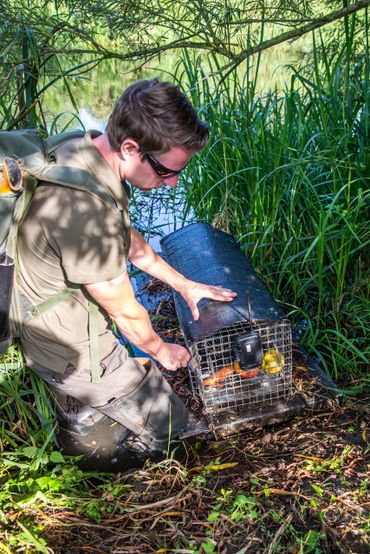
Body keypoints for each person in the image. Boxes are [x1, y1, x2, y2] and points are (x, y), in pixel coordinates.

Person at [15, 78, 236, 469]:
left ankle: (90, 411)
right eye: (167, 171)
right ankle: (85, 421)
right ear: (131, 148)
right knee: (177, 433)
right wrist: (162, 352)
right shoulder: (83, 212)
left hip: (56, 308)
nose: (173, 182)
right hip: (64, 343)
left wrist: (184, 284)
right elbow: (125, 311)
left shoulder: (84, 150)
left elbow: (129, 241)